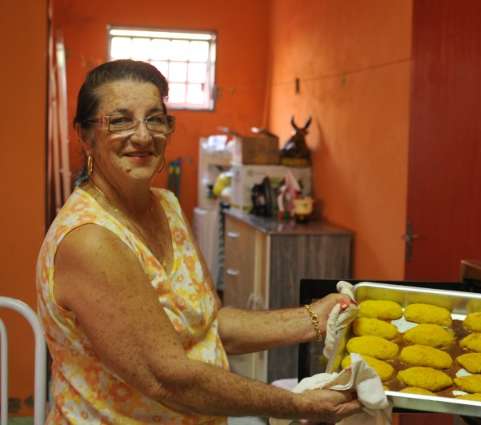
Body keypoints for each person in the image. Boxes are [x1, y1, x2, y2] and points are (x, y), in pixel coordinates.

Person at [36, 60, 360, 424]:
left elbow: (209, 324)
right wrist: (298, 404)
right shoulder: (90, 240)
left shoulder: (167, 206)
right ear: (85, 136)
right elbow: (168, 379)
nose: (143, 136)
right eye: (120, 120)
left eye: (155, 119)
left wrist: (314, 319)